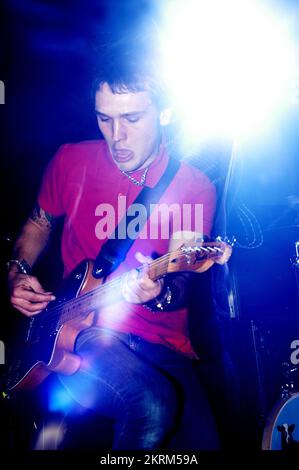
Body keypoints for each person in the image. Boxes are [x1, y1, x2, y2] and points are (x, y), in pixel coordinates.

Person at [7, 45, 220, 450]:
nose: (116, 135)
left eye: (132, 118)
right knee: (152, 405)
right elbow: (38, 224)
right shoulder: (71, 161)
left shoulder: (193, 186)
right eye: (105, 118)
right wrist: (16, 271)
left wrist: (157, 292)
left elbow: (181, 281)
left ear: (166, 112)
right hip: (80, 331)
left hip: (161, 345)